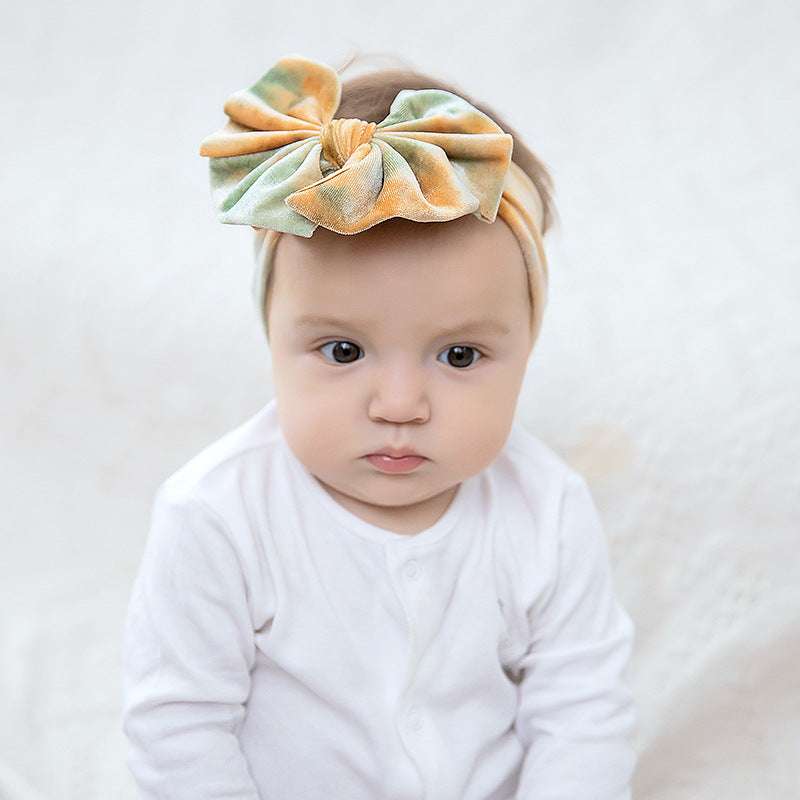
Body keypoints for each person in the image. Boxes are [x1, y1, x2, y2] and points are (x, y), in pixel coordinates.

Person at [122, 55, 636, 799]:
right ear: (273, 334)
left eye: (460, 355)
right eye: (343, 351)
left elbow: (582, 715)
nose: (399, 405)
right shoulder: (216, 515)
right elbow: (179, 730)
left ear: (527, 346)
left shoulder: (546, 509)